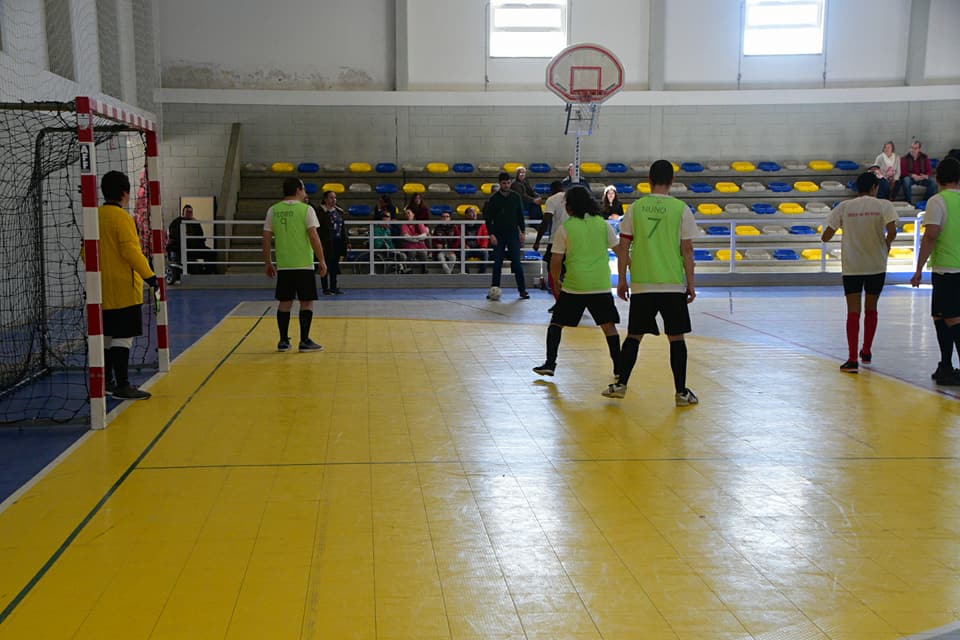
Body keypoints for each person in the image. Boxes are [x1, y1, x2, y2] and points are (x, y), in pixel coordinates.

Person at [605, 159, 699, 406]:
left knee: (634, 336)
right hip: (671, 284)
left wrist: (622, 279)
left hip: (643, 283)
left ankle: (620, 384)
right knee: (676, 338)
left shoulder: (636, 208)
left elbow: (623, 246)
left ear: (648, 179)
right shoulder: (681, 209)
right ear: (672, 182)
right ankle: (681, 393)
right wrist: (691, 283)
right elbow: (687, 250)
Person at [533, 186, 621, 380]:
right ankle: (619, 368)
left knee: (556, 324)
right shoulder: (602, 224)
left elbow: (556, 261)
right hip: (600, 284)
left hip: (575, 285)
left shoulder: (566, 229)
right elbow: (620, 251)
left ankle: (550, 363)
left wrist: (556, 281)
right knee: (609, 327)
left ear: (570, 207)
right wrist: (624, 276)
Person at [820, 172, 899, 373]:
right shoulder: (884, 205)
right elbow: (892, 231)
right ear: (874, 187)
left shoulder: (845, 207)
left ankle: (852, 358)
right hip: (876, 265)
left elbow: (826, 236)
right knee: (871, 308)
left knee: (853, 312)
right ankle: (867, 350)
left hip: (852, 267)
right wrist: (886, 245)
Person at [97, 171, 159, 400]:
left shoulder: (95, 216)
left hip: (101, 289)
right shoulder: (122, 218)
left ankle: (105, 382)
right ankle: (122, 385)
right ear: (125, 193)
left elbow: (86, 252)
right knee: (123, 337)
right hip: (124, 288)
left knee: (106, 336)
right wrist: (150, 277)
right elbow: (131, 252)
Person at [262, 177, 327, 352]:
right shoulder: (306, 210)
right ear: (298, 190)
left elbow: (266, 238)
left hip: (284, 265)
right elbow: (314, 237)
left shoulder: (273, 211)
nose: (305, 192)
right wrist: (321, 259)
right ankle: (304, 340)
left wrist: (268, 262)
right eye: (304, 189)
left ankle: (283, 341)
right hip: (303, 264)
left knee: (285, 303)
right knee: (306, 302)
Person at [911, 157, 960, 386]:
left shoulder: (937, 202)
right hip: (952, 268)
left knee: (951, 318)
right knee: (940, 316)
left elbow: (931, 235)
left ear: (938, 178)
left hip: (946, 268)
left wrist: (919, 267)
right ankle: (946, 365)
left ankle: (950, 365)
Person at [483, 171, 529, 299]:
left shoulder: (516, 197)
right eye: (504, 183)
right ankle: (494, 288)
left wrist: (523, 231)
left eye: (508, 183)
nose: (506, 185)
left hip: (513, 233)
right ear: (500, 183)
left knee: (516, 262)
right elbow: (488, 218)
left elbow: (520, 215)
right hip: (498, 234)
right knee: (497, 262)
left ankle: (522, 290)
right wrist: (491, 234)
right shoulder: (494, 199)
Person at [533, 181, 568, 311]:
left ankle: (560, 302)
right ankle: (572, 301)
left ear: (551, 190)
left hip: (556, 241)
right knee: (569, 272)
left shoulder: (552, 200)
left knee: (553, 272)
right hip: (573, 240)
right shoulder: (571, 198)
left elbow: (546, 220)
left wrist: (537, 240)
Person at [166, 204, 216, 280]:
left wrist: (200, 244)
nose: (189, 214)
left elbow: (201, 236)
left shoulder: (195, 224)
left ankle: (209, 273)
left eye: (190, 212)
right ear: (183, 213)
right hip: (181, 248)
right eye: (187, 212)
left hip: (195, 247)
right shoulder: (176, 223)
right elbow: (174, 237)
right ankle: (197, 274)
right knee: (193, 263)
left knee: (210, 253)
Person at [316, 190, 348, 295]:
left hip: (337, 242)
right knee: (325, 265)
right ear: (325, 199)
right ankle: (325, 288)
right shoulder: (320, 212)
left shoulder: (338, 211)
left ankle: (334, 287)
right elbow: (318, 229)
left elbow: (342, 227)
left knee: (334, 266)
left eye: (335, 197)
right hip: (325, 243)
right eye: (331, 197)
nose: (333, 200)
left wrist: (346, 241)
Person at [899, 140, 938, 204]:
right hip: (911, 178)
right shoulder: (905, 158)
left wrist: (925, 176)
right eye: (911, 148)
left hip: (921, 178)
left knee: (934, 182)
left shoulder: (924, 157)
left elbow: (930, 171)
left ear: (919, 149)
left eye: (915, 148)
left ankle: (924, 202)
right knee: (906, 180)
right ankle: (908, 202)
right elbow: (903, 172)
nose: (913, 150)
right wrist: (912, 175)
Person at [399, 208, 429, 273]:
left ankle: (424, 269)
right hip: (410, 244)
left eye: (408, 213)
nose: (407, 215)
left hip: (420, 245)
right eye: (406, 214)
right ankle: (410, 269)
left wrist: (414, 237)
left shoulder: (419, 223)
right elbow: (406, 237)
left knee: (423, 252)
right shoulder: (404, 225)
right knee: (412, 252)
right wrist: (417, 239)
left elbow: (424, 235)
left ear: (413, 214)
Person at [462, 206, 489, 273]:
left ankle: (481, 273)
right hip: (467, 248)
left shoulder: (482, 224)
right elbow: (459, 238)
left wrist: (483, 247)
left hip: (478, 248)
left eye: (475, 211)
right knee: (462, 253)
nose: (474, 213)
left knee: (485, 253)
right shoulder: (462, 225)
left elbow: (485, 237)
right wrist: (464, 245)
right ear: (466, 215)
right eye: (471, 211)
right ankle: (466, 273)